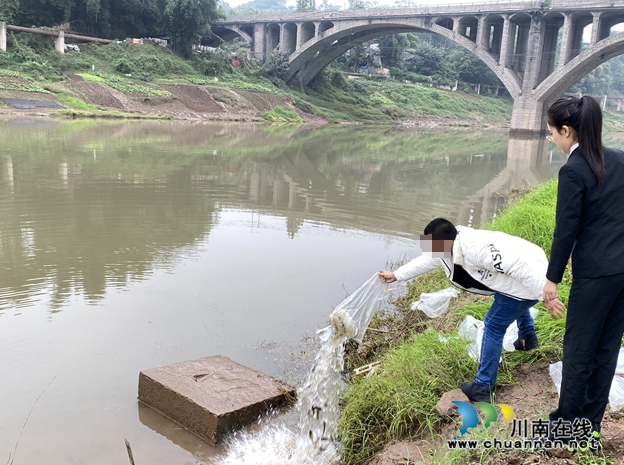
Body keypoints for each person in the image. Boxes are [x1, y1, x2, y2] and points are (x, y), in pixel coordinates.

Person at [378, 218, 565, 403]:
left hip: (532, 276)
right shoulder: (449, 246)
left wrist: (546, 295)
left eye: (431, 245)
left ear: (446, 241)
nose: (429, 250)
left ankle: (483, 386)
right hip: (518, 279)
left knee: (493, 325)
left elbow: (519, 266)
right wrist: (397, 275)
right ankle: (527, 339)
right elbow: (428, 261)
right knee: (505, 304)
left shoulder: (475, 249)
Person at [543, 95, 624, 441]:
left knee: (578, 349)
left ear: (567, 130)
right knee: (606, 349)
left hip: (594, 275)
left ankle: (564, 428)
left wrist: (551, 279)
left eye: (552, 133)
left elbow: (566, 232)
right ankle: (589, 425)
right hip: (622, 272)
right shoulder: (620, 160)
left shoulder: (573, 170)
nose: (552, 139)